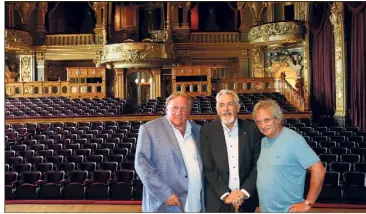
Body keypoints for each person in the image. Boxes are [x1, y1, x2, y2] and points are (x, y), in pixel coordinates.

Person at [134, 92, 204, 212]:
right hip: (166, 203)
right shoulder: (149, 129)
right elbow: (142, 165)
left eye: (183, 108)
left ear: (189, 111)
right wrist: (165, 194)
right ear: (166, 109)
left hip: (195, 203)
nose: (179, 112)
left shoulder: (198, 130)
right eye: (175, 108)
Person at [252, 99, 326, 212]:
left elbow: (319, 170)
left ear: (278, 118)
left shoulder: (293, 140)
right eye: (259, 122)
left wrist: (308, 203)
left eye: (267, 120)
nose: (263, 125)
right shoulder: (263, 142)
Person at [200, 89, 262, 212]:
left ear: (238, 107)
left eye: (230, 104)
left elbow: (258, 164)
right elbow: (209, 167)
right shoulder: (207, 131)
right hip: (218, 199)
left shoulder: (252, 129)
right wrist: (225, 194)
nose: (226, 109)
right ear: (217, 109)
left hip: (246, 199)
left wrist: (244, 192)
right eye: (221, 105)